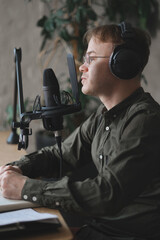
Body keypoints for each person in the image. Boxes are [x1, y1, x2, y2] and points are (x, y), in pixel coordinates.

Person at [0, 21, 160, 240]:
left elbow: (106, 193)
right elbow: (60, 154)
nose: (82, 67)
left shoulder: (145, 121)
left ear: (122, 64)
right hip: (98, 230)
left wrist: (26, 188)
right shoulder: (104, 116)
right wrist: (15, 169)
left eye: (91, 58)